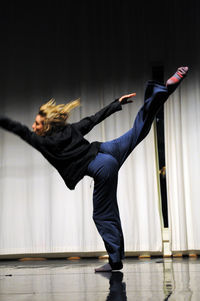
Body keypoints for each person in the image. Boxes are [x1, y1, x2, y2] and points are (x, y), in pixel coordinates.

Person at [0, 66, 188, 272]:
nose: (33, 127)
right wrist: (116, 103)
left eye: (37, 124)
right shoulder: (70, 130)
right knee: (138, 131)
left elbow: (18, 129)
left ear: (46, 126)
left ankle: (115, 261)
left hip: (102, 167)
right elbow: (92, 120)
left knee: (103, 215)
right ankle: (161, 92)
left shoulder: (43, 143)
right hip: (107, 150)